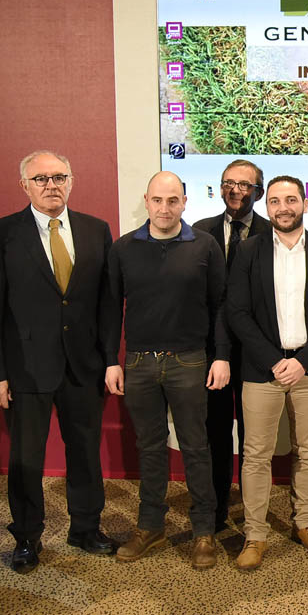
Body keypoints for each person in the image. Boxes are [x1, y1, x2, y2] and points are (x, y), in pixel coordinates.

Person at [0, 150, 120, 574]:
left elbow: (108, 305)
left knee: (85, 454)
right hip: (24, 371)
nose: (51, 185)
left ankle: (86, 529)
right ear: (24, 185)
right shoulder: (0, 233)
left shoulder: (96, 230)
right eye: (40, 178)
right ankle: (26, 537)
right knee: (27, 459)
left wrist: (110, 359)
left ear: (71, 181)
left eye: (59, 177)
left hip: (84, 367)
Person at [105, 171, 230, 570]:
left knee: (196, 447)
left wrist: (222, 356)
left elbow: (220, 307)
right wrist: (112, 359)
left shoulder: (205, 246)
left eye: (172, 200)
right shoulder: (124, 248)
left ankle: (204, 532)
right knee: (150, 447)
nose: (164, 208)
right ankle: (150, 526)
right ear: (146, 201)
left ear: (185, 202)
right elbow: (108, 310)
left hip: (189, 361)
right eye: (158, 200)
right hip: (139, 363)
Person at [227, 176, 308, 570]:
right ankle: (255, 535)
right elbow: (238, 313)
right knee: (256, 455)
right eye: (275, 201)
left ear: (305, 203)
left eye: (290, 199)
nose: (283, 207)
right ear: (266, 205)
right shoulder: (248, 251)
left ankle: (305, 523)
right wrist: (274, 361)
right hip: (262, 369)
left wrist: (304, 360)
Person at [193, 159, 271, 532]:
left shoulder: (274, 232)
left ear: (258, 190)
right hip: (212, 353)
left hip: (257, 351)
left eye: (244, 184)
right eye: (229, 183)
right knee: (216, 433)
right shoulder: (200, 231)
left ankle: (254, 510)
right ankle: (218, 507)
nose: (235, 190)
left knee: (254, 438)